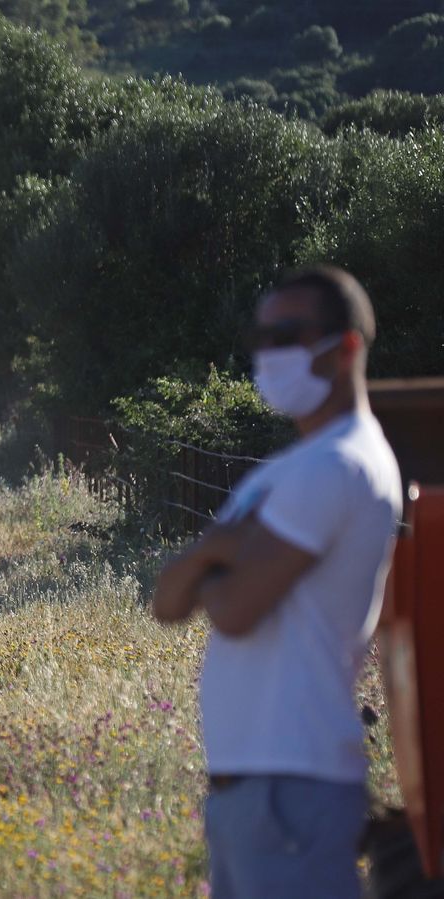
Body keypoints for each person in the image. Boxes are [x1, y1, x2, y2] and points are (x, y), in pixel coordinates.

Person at [150, 266, 402, 899]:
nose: (269, 353)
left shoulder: (337, 466)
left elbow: (232, 610)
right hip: (256, 787)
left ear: (346, 347)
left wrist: (211, 559)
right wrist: (221, 549)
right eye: (261, 337)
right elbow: (167, 602)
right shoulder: (289, 469)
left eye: (288, 334)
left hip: (293, 785)